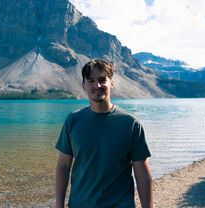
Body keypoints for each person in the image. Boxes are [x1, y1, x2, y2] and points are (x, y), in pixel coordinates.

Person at [55, 59, 153, 208]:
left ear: (111, 83)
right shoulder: (73, 121)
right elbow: (63, 166)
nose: (97, 86)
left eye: (102, 80)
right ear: (84, 86)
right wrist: (58, 205)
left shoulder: (131, 123)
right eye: (91, 81)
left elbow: (142, 173)